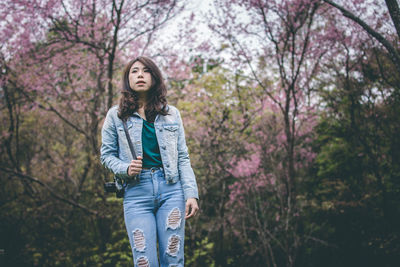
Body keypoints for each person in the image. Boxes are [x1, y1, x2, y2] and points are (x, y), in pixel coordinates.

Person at [100, 56, 199, 267]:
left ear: (154, 78)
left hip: (171, 189)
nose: (140, 75)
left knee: (173, 259)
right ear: (128, 79)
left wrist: (191, 193)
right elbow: (106, 155)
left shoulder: (172, 114)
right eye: (134, 71)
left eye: (146, 71)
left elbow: (182, 156)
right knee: (144, 260)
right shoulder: (116, 116)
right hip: (136, 193)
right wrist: (125, 168)